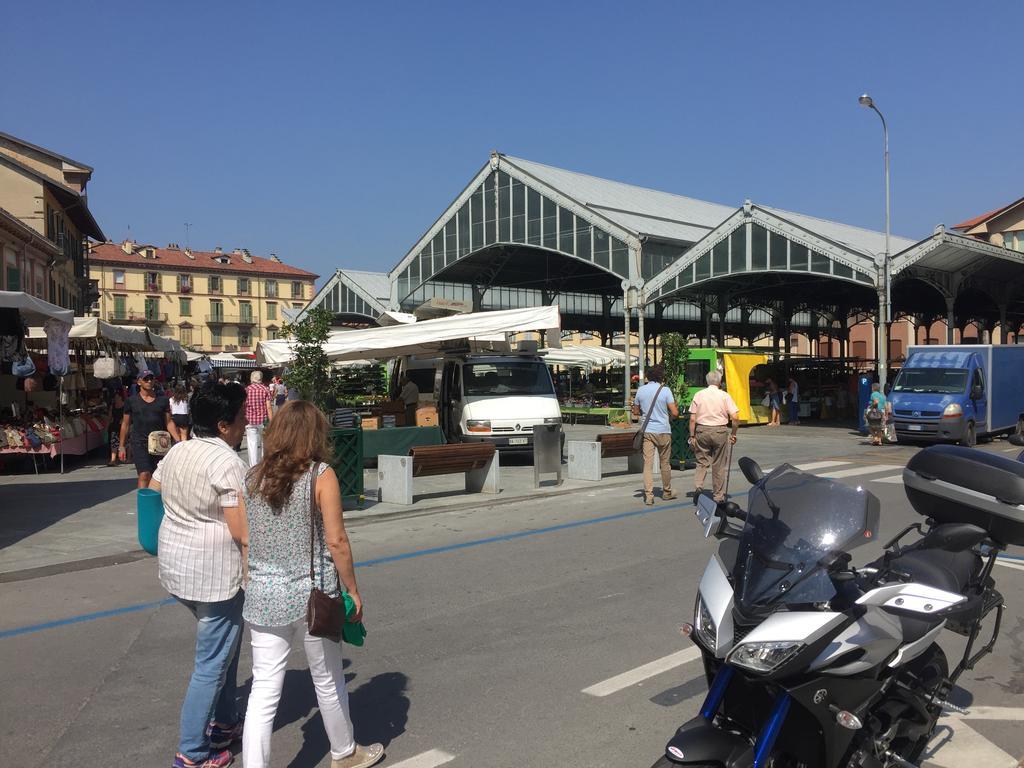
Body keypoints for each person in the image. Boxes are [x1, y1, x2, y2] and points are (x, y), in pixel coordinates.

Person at [241, 401, 383, 768]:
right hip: (312, 595)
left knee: (263, 690)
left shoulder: (253, 476)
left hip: (263, 595)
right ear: (315, 434)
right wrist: (352, 590)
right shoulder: (322, 475)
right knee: (328, 679)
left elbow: (248, 538)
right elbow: (337, 540)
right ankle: (345, 752)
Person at [149, 382, 249, 768]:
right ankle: (192, 753)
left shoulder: (179, 451)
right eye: (241, 418)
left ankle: (224, 724)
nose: (245, 424)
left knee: (226, 648)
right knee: (211, 663)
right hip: (215, 575)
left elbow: (152, 489)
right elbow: (241, 530)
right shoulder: (227, 463)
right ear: (224, 425)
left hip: (177, 567)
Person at [688, 370, 740, 503]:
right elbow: (735, 417)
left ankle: (699, 487)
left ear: (707, 381)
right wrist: (733, 434)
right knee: (719, 464)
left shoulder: (698, 395)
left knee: (701, 461)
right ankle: (718, 496)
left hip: (702, 430)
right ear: (720, 382)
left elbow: (692, 419)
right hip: (720, 431)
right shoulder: (724, 396)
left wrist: (692, 435)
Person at [631, 364, 679, 505]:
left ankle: (649, 495)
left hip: (648, 432)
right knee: (665, 463)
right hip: (664, 430)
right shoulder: (665, 391)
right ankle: (666, 492)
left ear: (648, 377)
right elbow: (675, 412)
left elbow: (635, 412)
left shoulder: (640, 390)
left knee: (648, 464)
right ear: (661, 377)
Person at [119, 370, 175, 488]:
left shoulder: (163, 400)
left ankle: (155, 503)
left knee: (158, 475)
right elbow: (125, 424)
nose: (149, 381)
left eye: (151, 378)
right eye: (146, 379)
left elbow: (169, 422)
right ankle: (144, 504)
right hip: (140, 442)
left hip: (160, 443)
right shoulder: (131, 401)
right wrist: (122, 446)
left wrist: (179, 441)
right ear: (139, 382)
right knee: (144, 474)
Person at [244, 371, 273, 468]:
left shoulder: (246, 390)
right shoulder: (265, 389)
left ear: (251, 378)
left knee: (252, 445)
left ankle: (253, 468)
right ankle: (264, 466)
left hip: (250, 421)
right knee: (264, 444)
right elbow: (269, 407)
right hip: (263, 421)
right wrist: (272, 421)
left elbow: (243, 406)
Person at [107, 385, 125, 467]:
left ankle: (123, 457)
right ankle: (113, 460)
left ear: (121, 397)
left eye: (117, 397)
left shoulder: (125, 406)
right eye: (115, 397)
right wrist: (107, 426)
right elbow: (110, 417)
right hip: (114, 425)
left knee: (124, 442)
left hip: (123, 426)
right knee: (114, 442)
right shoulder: (113, 406)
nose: (115, 399)